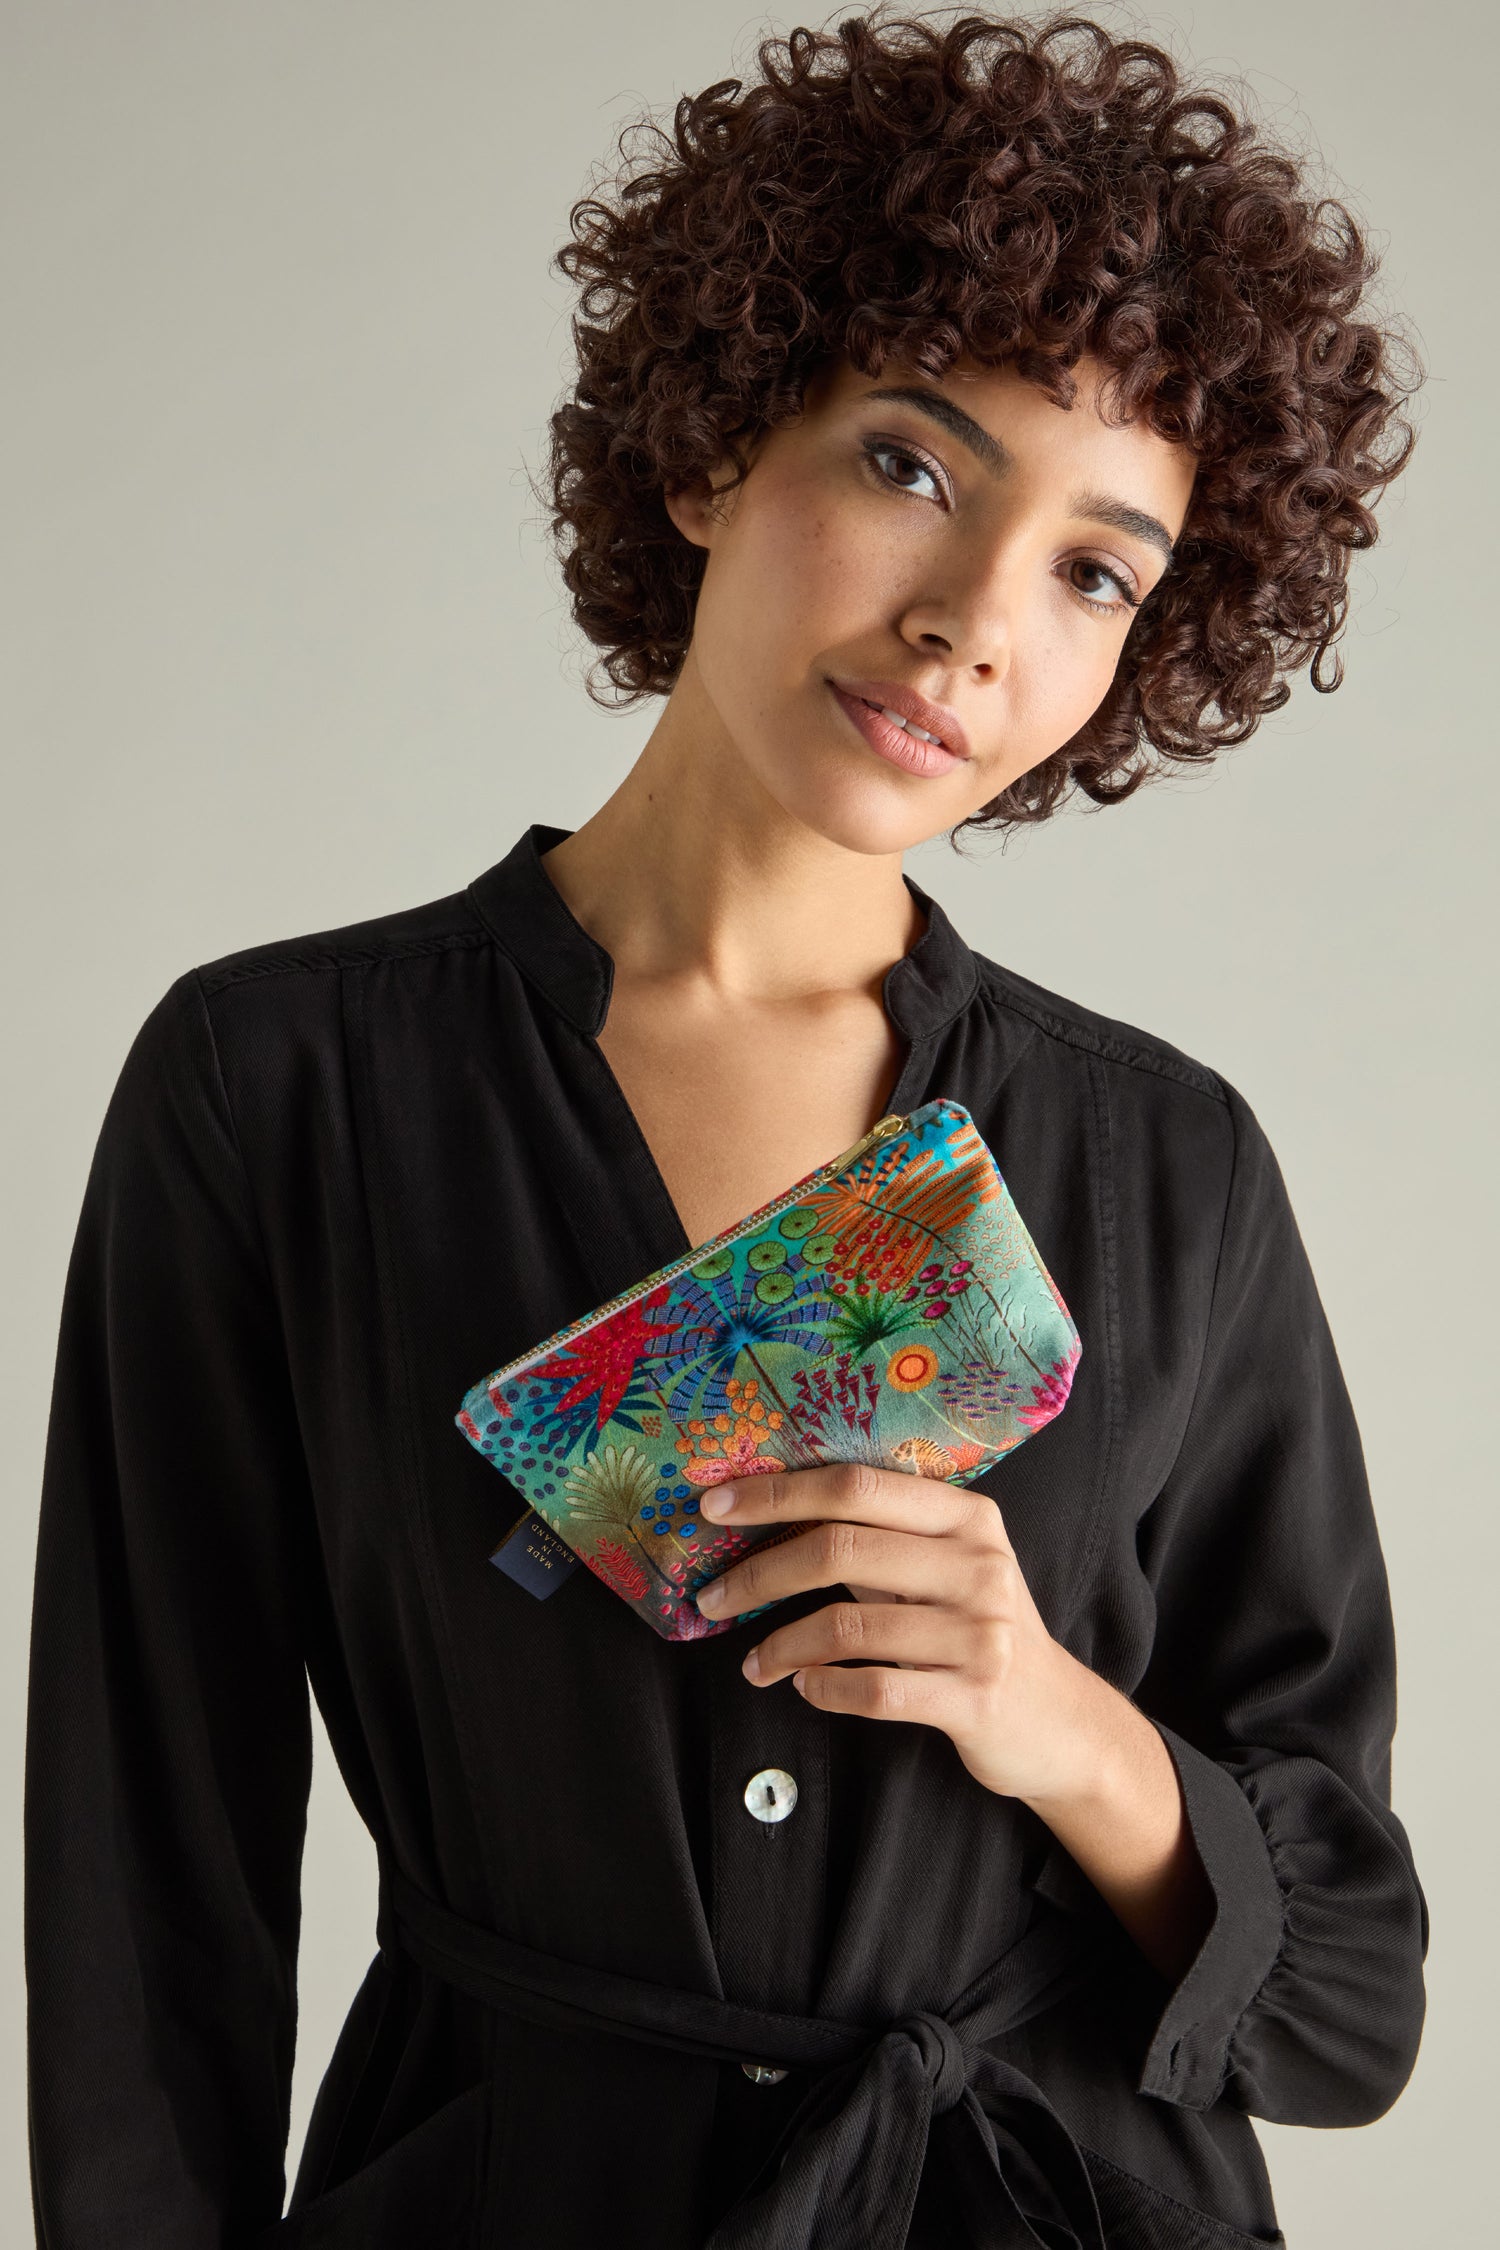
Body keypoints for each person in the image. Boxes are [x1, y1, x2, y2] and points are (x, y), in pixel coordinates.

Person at [24, 9, 1429, 2247]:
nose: (975, 624)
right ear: (707, 446)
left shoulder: (1174, 1172)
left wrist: (1051, 1709)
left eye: (1098, 571)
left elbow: (1350, 2001)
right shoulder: (278, 1088)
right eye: (912, 464)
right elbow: (144, 1908)